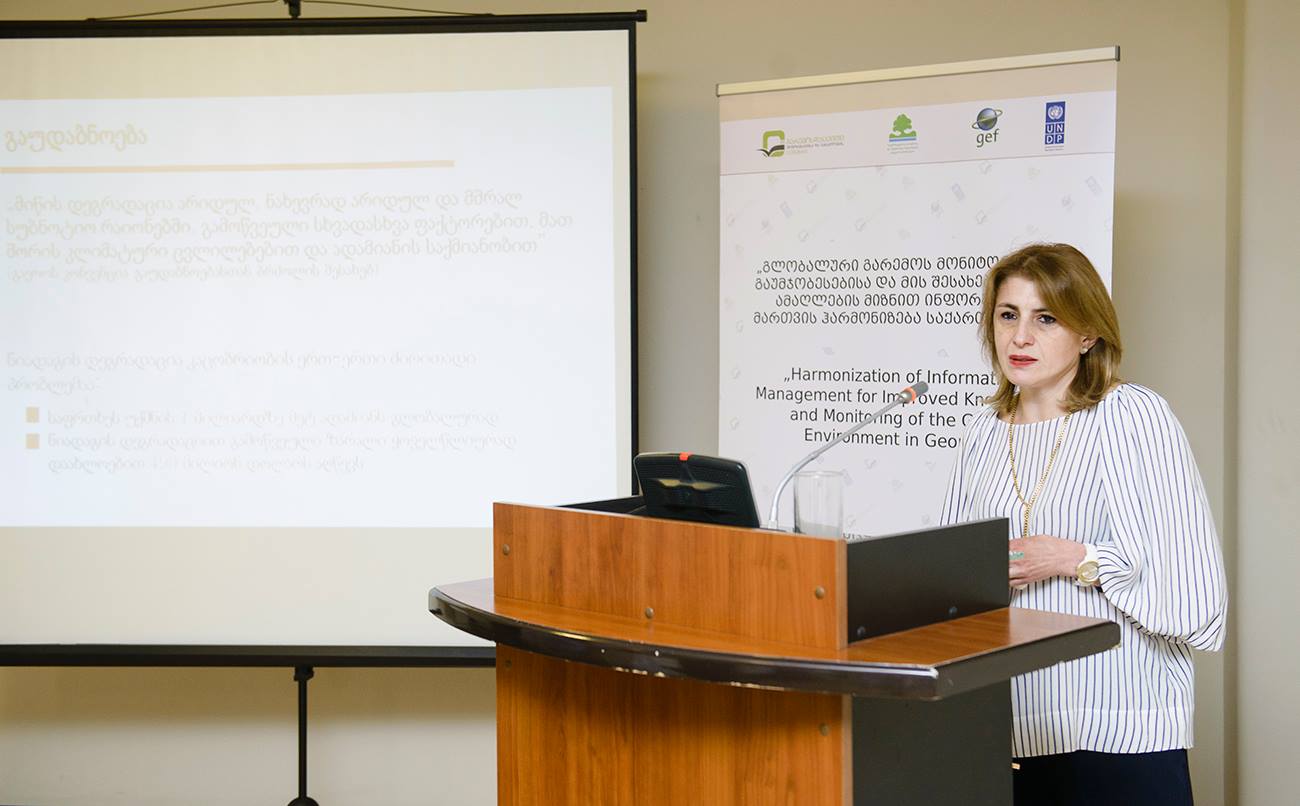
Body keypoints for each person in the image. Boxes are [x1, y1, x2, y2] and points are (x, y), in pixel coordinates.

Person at [940, 243, 1227, 805]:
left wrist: (1075, 558)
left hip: (1122, 730)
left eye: (1046, 318)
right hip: (1009, 730)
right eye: (1008, 315)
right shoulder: (981, 433)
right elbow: (954, 584)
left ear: (1089, 333)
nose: (1021, 337)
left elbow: (1195, 595)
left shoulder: (1133, 416)